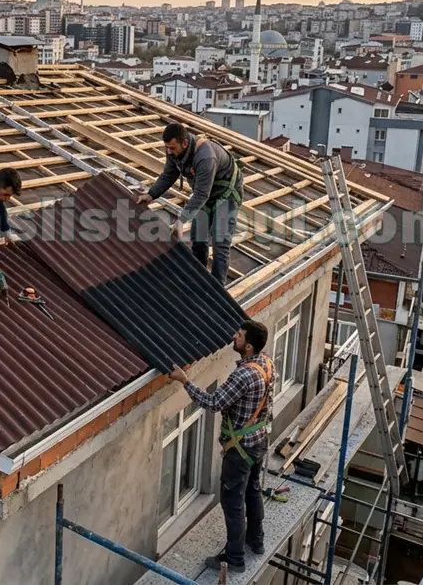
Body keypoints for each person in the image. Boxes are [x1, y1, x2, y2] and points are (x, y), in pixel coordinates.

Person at [169, 321, 275, 574]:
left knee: (233, 502)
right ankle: (255, 541)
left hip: (240, 450)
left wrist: (185, 381)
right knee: (252, 490)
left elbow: (213, 402)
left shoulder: (243, 375)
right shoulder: (266, 364)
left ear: (248, 346)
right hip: (257, 441)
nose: (233, 337)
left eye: (238, 336)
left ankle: (235, 557)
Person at [138, 123, 243, 285]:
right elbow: (168, 175)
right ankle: (198, 282)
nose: (168, 152)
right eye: (166, 148)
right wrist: (151, 195)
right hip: (206, 192)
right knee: (198, 238)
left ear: (185, 143)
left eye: (172, 148)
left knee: (220, 243)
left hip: (226, 193)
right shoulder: (174, 152)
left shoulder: (205, 157)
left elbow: (201, 194)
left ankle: (217, 291)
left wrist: (181, 221)